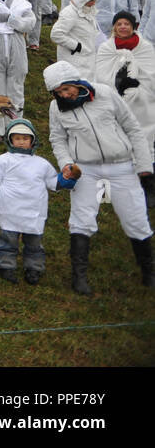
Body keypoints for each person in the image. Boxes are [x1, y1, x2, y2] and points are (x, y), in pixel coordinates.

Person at [44, 61, 154, 293]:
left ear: (76, 82)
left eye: (67, 89)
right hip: (86, 169)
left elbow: (133, 128)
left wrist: (144, 165)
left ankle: (149, 271)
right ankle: (79, 277)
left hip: (121, 166)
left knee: (135, 218)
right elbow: (57, 139)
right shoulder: (56, 108)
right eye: (59, 92)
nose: (65, 95)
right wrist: (66, 164)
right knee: (81, 219)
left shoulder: (104, 93)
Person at [0, 119, 80, 284]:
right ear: (10, 140)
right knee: (8, 241)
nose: (21, 142)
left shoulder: (42, 164)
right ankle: (6, 266)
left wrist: (67, 179)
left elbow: (54, 183)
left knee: (34, 244)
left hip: (33, 213)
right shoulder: (1, 161)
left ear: (32, 141)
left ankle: (34, 268)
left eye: (25, 138)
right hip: (9, 211)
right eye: (17, 138)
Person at [94, 11, 154, 155]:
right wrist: (118, 83)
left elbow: (151, 75)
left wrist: (136, 85)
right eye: (119, 24)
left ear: (133, 27)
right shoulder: (106, 48)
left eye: (126, 24)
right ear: (114, 27)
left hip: (141, 100)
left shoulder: (145, 47)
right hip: (114, 98)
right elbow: (101, 75)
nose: (123, 27)